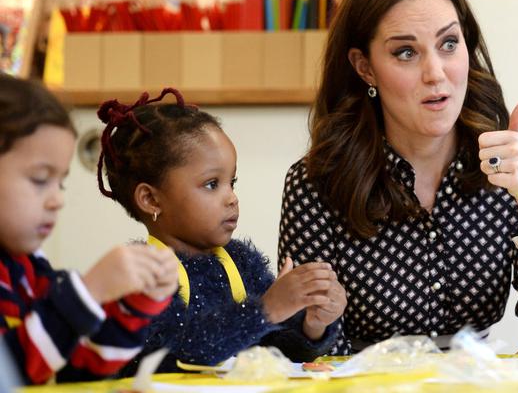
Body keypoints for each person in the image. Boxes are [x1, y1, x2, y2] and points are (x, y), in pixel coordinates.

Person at [278, 0, 518, 355]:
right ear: (365, 68)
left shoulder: (512, 162)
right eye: (406, 53)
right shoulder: (316, 183)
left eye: (448, 44)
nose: (436, 73)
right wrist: (315, 328)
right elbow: (294, 352)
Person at [95, 88, 346, 375]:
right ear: (151, 199)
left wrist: (313, 323)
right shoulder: (142, 274)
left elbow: (280, 348)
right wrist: (265, 311)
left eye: (232, 182)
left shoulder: (242, 263)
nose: (232, 198)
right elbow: (175, 353)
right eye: (212, 184)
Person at [0, 75, 178, 385]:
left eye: (61, 183)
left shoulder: (30, 267)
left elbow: (76, 369)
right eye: (41, 180)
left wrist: (133, 304)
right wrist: (88, 292)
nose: (57, 200)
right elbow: (9, 373)